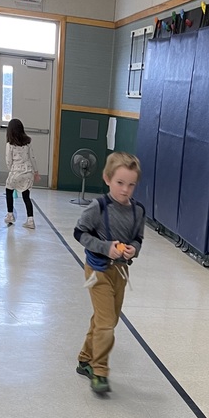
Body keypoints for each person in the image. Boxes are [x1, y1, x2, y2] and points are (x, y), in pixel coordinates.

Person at [74, 153, 145, 394]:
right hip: (98, 270)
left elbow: (138, 238)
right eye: (120, 183)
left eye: (131, 184)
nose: (125, 190)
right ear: (107, 179)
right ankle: (100, 371)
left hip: (120, 272)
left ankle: (85, 358)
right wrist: (106, 248)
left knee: (107, 319)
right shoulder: (98, 207)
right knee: (106, 324)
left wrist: (133, 249)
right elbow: (79, 233)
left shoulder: (138, 211)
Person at [4, 118, 39, 228]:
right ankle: (30, 220)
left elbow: (8, 160)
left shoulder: (10, 145)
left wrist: (12, 170)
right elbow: (32, 158)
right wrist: (36, 172)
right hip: (28, 173)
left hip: (16, 172)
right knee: (26, 196)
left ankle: (10, 215)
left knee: (8, 190)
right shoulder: (27, 143)